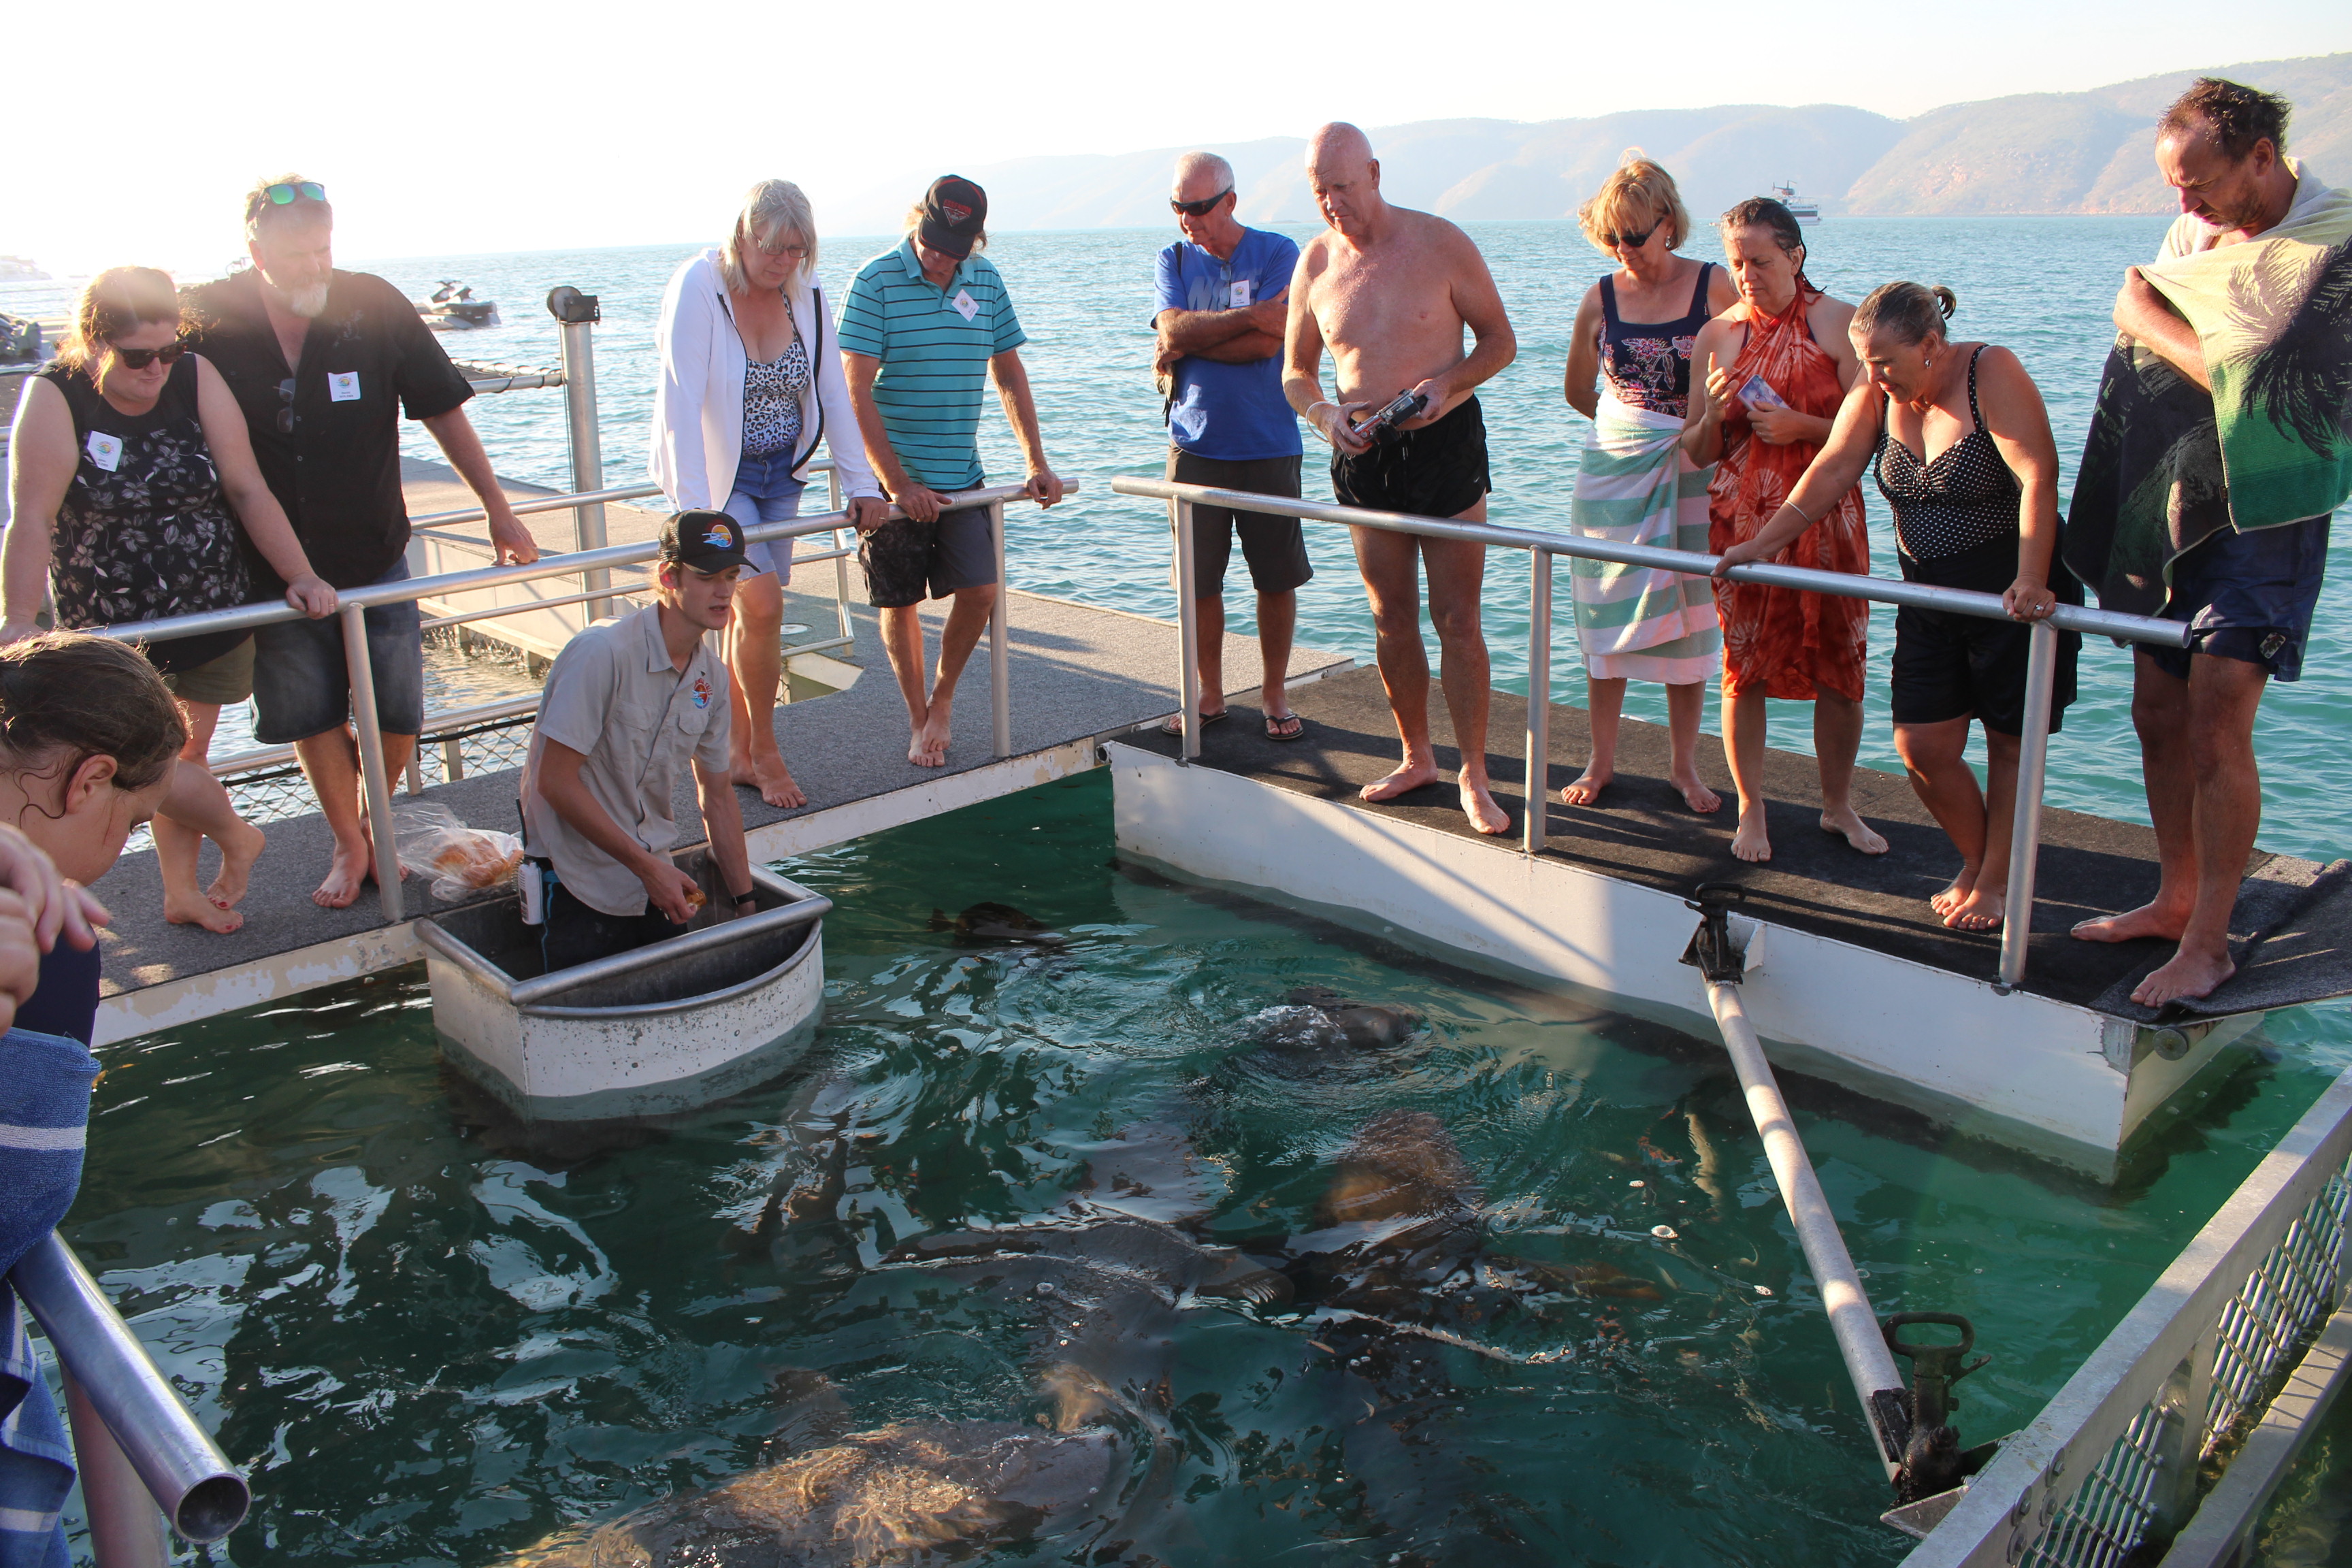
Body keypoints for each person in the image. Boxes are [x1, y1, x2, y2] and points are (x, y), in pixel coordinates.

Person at [2064, 80, 2352, 1006]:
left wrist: (2148, 319)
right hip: (2181, 499)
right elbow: (2207, 351)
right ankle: (2174, 895)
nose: (2181, 209)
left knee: (2219, 715)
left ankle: (2210, 939)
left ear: (2261, 157)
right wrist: (2184, 335)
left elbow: (2267, 386)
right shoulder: (2194, 236)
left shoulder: (2332, 239)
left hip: (2269, 511)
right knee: (2156, 709)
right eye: (2172, 186)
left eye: (2198, 184)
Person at [182, 175, 540, 911]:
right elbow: (132, 359)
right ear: (255, 251)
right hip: (273, 569)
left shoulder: (373, 303)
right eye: (297, 254)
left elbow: (443, 410)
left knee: (398, 713)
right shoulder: (208, 318)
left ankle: (372, 823)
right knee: (310, 712)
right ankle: (352, 842)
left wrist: (499, 510)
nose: (316, 265)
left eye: (324, 249)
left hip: (376, 554)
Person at [1716, 284, 2078, 930]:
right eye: (1866, 363)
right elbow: (1832, 470)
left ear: (1932, 345)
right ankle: (1979, 857)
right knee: (1922, 746)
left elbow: (2039, 476)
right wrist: (1763, 542)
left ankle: (1993, 879)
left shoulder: (1989, 371)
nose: (1874, 376)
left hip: (2012, 592)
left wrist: (2030, 577)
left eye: (1884, 362)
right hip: (1929, 594)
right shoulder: (1879, 391)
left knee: (2009, 746)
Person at [4, 267, 338, 936]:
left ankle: (181, 889)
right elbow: (32, 518)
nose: (156, 367)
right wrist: (18, 618)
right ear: (95, 344)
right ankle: (230, 837)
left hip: (209, 612)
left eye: (168, 350)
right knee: (126, 767)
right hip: (109, 634)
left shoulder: (194, 377)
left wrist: (300, 574)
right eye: (137, 357)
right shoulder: (58, 395)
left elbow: (246, 488)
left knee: (184, 757)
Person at [0, 634, 184, 1568]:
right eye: (136, 819)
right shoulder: (54, 941)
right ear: (89, 780)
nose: (123, 851)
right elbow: (19, 1199)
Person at [1283, 123, 1519, 835]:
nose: (1333, 204)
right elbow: (1295, 372)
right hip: (1363, 452)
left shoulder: (1440, 243)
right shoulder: (1315, 261)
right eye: (1320, 191)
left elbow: (1500, 342)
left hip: (1443, 443)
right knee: (1390, 616)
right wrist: (1324, 416)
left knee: (1458, 619)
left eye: (1344, 188)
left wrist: (1448, 385)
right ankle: (1418, 757)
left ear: (1376, 174)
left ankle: (1475, 773)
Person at [651, 180, 889, 809]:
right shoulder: (699, 287)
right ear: (742, 236)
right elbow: (679, 401)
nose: (784, 262)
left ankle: (733, 747)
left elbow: (833, 394)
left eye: (796, 250)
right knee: (759, 607)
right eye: (774, 248)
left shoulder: (806, 295)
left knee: (746, 613)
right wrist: (696, 515)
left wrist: (862, 484)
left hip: (780, 474)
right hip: (718, 477)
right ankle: (763, 752)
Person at [838, 176, 1065, 769]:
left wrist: (1036, 462)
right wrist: (896, 486)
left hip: (961, 473)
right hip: (892, 479)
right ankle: (918, 718)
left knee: (984, 587)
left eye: (953, 248)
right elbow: (853, 391)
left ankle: (943, 699)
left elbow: (1010, 373)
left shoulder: (985, 281)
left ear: (976, 242)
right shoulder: (874, 281)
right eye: (932, 240)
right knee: (901, 603)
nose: (939, 256)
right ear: (918, 220)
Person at [1684, 197, 1880, 864]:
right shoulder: (1718, 335)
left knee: (1842, 668)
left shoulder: (1842, 325)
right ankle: (1751, 810)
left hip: (1831, 520)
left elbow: (1871, 436)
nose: (1746, 276)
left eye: (1759, 262)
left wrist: (1805, 427)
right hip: (1742, 518)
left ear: (1795, 255)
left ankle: (1839, 805)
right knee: (1745, 671)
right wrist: (1711, 415)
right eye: (1736, 263)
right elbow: (1698, 450)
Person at [1562, 154, 1738, 812]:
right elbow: (1578, 389)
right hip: (1612, 474)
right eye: (1612, 238)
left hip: (1695, 469)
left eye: (1634, 235)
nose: (1623, 249)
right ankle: (1599, 761)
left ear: (1668, 223)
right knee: (1605, 616)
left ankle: (1685, 768)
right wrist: (1633, 430)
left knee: (1690, 622)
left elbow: (1757, 362)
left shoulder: (1716, 287)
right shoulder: (1600, 297)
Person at [520, 511, 760, 973]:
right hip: (573, 874)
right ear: (669, 578)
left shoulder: (712, 677)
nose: (725, 591)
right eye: (707, 577)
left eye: (732, 576)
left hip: (655, 874)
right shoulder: (601, 652)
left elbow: (718, 794)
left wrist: (745, 901)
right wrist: (648, 868)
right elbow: (554, 781)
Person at [1153, 152, 1311, 741]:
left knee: (1276, 579)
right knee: (1199, 583)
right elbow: (1169, 329)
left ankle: (1274, 694)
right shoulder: (1172, 259)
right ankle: (1210, 695)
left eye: (1198, 207)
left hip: (1269, 442)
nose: (1188, 219)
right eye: (1178, 207)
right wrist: (1244, 320)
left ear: (1230, 201)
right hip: (1194, 446)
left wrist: (1194, 339)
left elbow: (1271, 341)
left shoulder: (1278, 253)